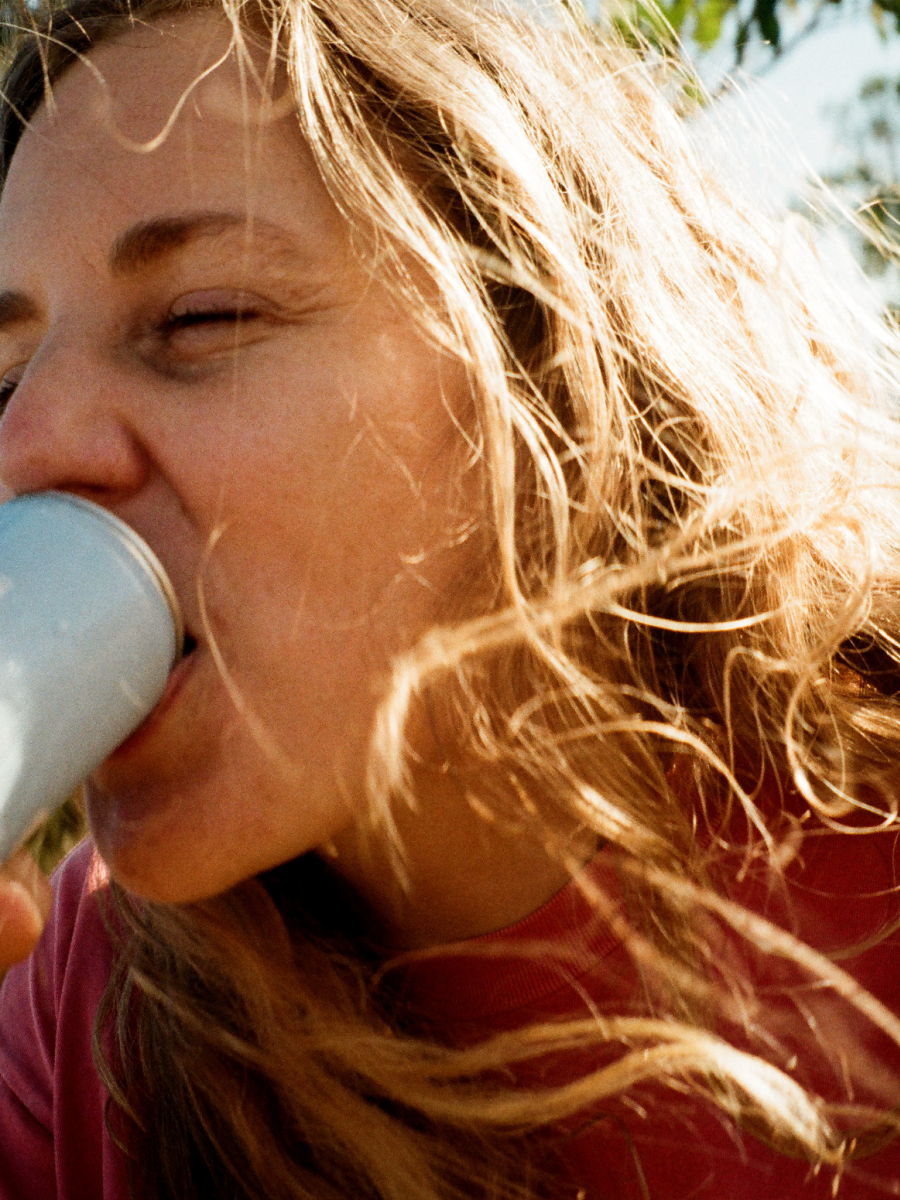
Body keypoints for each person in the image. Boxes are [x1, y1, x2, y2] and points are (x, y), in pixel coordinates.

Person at [0, 0, 899, 1195]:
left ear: (538, 364)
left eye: (201, 317)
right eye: (5, 378)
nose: (24, 446)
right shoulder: (86, 1006)